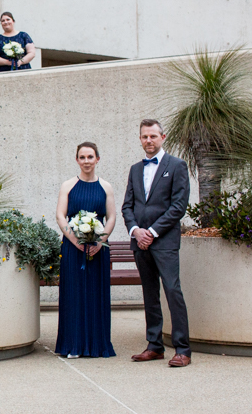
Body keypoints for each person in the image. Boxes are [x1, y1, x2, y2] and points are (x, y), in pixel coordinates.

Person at [122, 119, 192, 367]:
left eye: (153, 136)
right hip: (140, 243)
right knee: (149, 293)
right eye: (144, 136)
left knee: (172, 291)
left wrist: (151, 232)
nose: (148, 140)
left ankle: (182, 349)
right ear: (140, 139)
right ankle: (154, 346)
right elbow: (127, 206)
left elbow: (178, 207)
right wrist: (136, 231)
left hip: (164, 241)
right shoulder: (134, 170)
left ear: (163, 137)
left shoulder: (177, 165)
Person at [54, 142, 117, 359]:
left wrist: (100, 242)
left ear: (97, 159)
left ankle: (97, 345)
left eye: (90, 157)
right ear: (77, 160)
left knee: (95, 295)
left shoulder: (106, 187)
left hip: (98, 250)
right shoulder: (67, 186)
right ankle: (73, 344)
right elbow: (60, 216)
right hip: (73, 250)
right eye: (82, 157)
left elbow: (111, 217)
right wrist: (75, 241)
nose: (86, 161)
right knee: (73, 295)